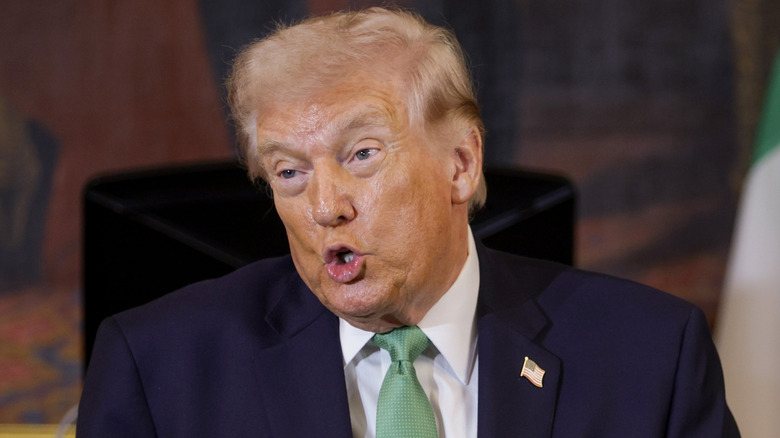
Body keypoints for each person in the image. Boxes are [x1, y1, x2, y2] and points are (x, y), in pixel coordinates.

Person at [77, 7, 739, 437]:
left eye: (361, 155)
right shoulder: (161, 368)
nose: (325, 205)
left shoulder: (650, 357)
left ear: (460, 163)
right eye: (289, 172)